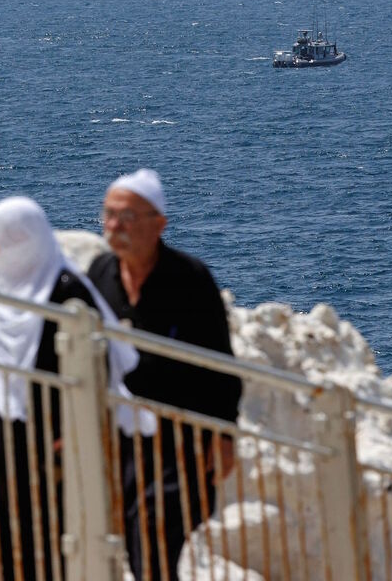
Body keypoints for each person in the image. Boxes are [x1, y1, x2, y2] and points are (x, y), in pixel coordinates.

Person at [0, 196, 141, 581]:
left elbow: (94, 365)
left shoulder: (67, 294)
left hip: (45, 451)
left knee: (45, 548)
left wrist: (74, 429)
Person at [86, 169, 242, 581]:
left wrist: (225, 435)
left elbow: (222, 364)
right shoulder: (99, 273)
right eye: (109, 215)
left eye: (127, 217)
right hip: (121, 441)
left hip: (181, 442)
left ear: (159, 225)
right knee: (139, 547)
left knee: (154, 542)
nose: (115, 226)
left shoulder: (190, 280)